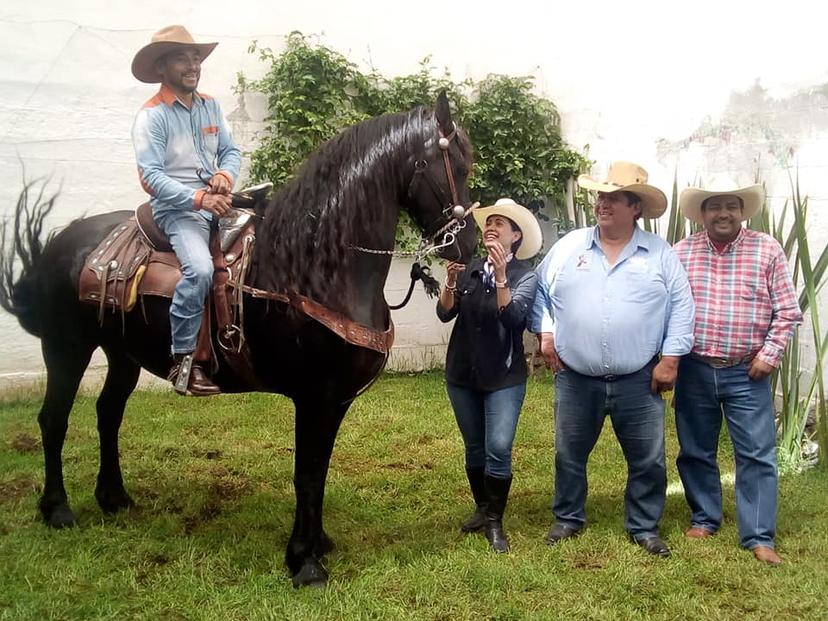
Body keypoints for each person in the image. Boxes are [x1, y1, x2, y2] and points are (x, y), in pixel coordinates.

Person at [530, 161, 695, 557]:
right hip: (576, 377)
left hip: (639, 378)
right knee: (568, 453)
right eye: (601, 197)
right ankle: (568, 517)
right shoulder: (569, 247)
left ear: (635, 207)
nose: (603, 204)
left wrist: (670, 359)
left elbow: (682, 309)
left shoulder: (659, 254)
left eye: (614, 198)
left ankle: (643, 526)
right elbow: (541, 294)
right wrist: (546, 333)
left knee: (648, 459)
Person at [672, 177, 802, 565]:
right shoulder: (681, 252)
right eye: (714, 206)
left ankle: (759, 536)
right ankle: (704, 517)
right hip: (695, 368)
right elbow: (668, 309)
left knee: (757, 455)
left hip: (748, 371)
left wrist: (770, 354)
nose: (723, 213)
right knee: (695, 449)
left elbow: (788, 310)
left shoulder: (767, 250)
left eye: (731, 206)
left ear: (742, 212)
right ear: (702, 213)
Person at [131, 25, 242, 396]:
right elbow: (150, 177)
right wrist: (198, 200)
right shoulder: (152, 116)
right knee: (199, 269)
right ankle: (184, 362)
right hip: (177, 210)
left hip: (217, 202)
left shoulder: (210, 104)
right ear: (161, 67)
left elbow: (231, 151)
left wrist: (225, 175)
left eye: (196, 57)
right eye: (183, 57)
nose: (193, 64)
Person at [437, 198, 542, 553]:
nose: (492, 227)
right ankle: (483, 509)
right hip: (462, 373)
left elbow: (514, 319)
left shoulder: (525, 275)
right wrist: (450, 282)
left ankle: (495, 522)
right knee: (475, 446)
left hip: (504, 377)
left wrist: (499, 277)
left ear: (516, 236)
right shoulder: (468, 269)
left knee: (498, 447)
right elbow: (444, 314)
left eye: (502, 223)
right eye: (490, 222)